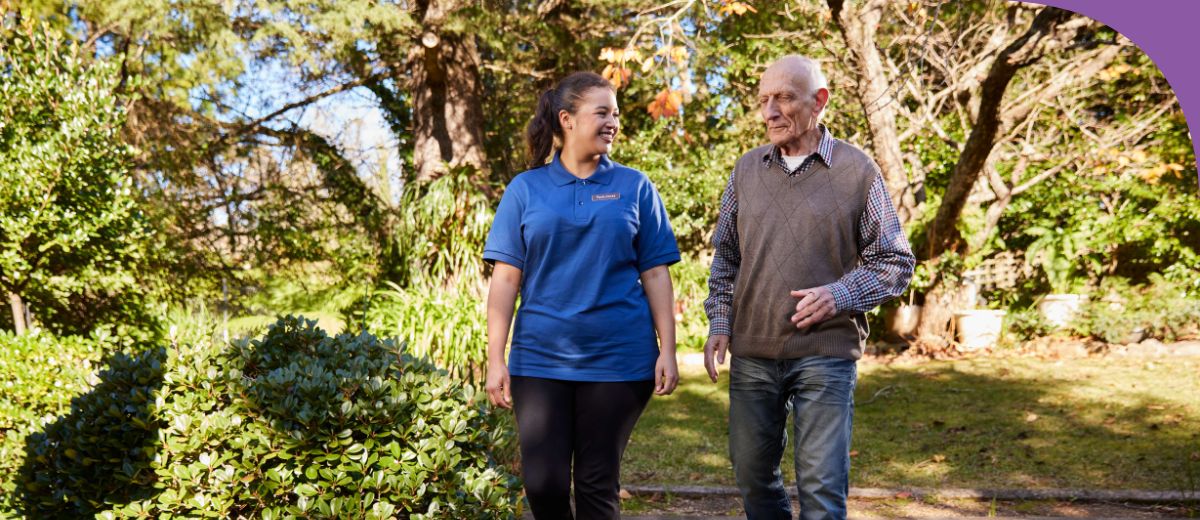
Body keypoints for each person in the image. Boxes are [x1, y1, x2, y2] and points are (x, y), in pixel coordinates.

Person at [703, 55, 916, 519]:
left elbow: (895, 261)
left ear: (819, 101)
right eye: (763, 100)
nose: (769, 112)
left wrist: (838, 294)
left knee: (821, 488)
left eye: (783, 98)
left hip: (825, 352)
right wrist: (720, 321)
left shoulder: (858, 171)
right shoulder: (746, 170)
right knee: (751, 475)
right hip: (754, 350)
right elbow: (726, 255)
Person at [483, 71, 681, 520]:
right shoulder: (525, 190)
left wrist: (668, 349)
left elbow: (655, 274)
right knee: (543, 483)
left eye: (616, 113)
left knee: (596, 482)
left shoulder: (635, 187)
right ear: (567, 119)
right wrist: (496, 359)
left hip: (619, 358)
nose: (613, 121)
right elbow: (505, 280)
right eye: (602, 112)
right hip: (540, 357)